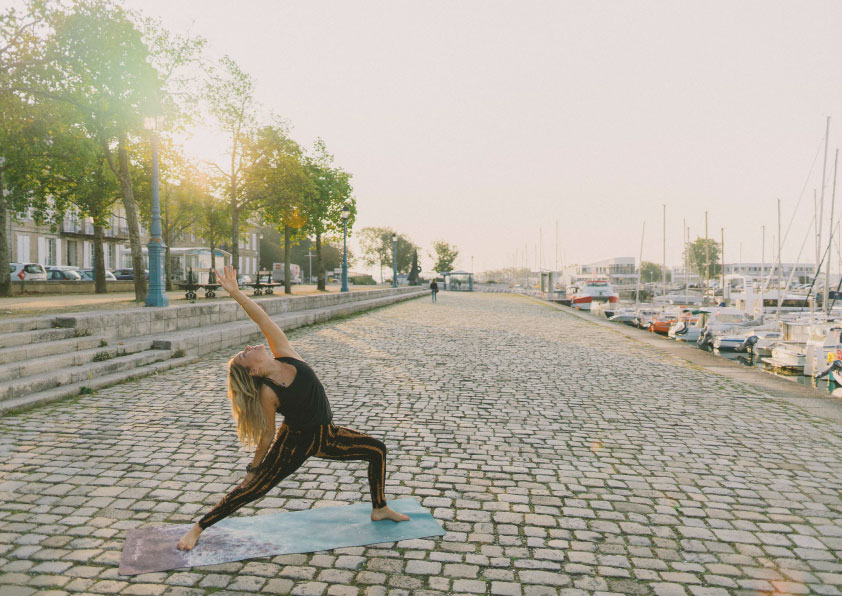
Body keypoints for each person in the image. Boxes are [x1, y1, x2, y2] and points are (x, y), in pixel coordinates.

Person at [177, 265, 409, 551]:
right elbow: (266, 435)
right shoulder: (267, 392)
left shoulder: (285, 353)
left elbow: (262, 320)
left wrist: (236, 293)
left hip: (327, 436)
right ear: (250, 371)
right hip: (294, 444)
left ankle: (380, 507)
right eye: (244, 354)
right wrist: (253, 468)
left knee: (377, 450)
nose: (249, 347)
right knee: (256, 489)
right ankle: (198, 528)